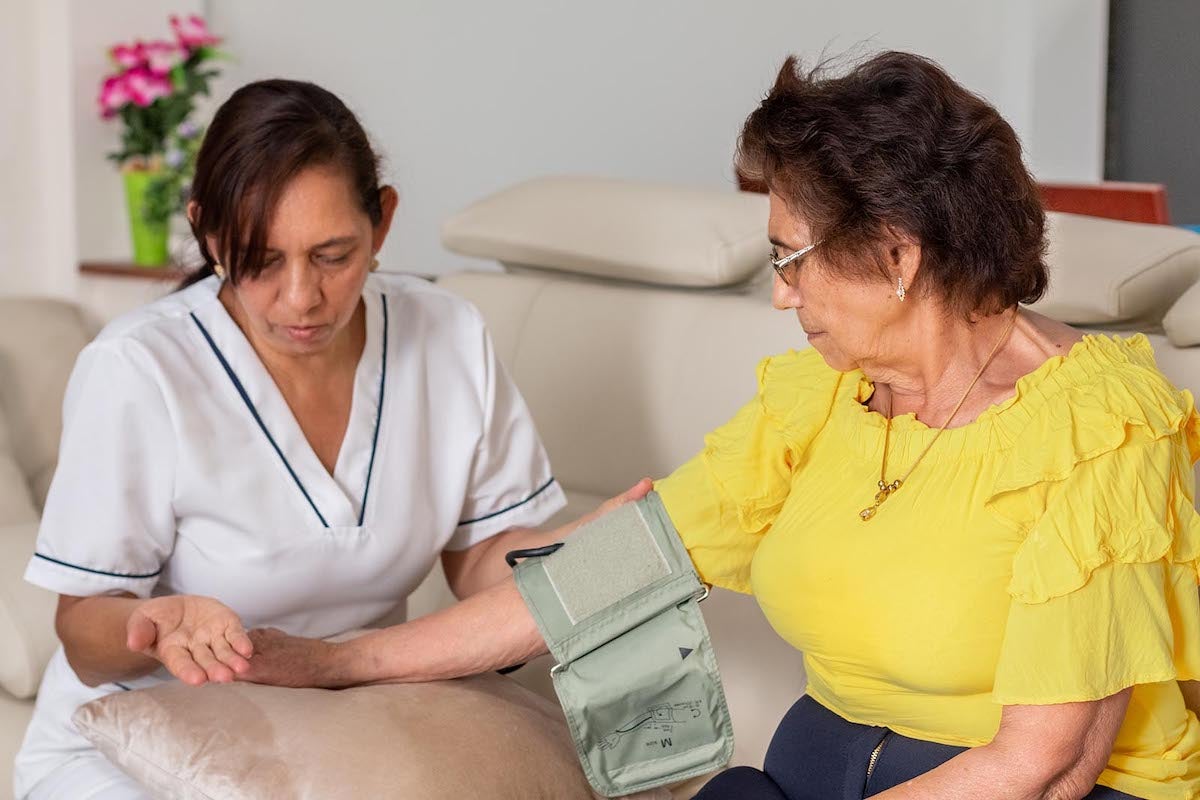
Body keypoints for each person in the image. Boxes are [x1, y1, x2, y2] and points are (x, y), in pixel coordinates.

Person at [242, 54, 1200, 799]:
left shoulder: (1100, 426)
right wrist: (334, 661)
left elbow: (1046, 766)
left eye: (792, 261)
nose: (780, 297)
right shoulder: (821, 399)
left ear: (898, 255)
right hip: (809, 774)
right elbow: (607, 578)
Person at [13, 78, 644, 800]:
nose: (300, 299)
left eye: (333, 256)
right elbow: (83, 638)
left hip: (343, 729)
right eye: (261, 260)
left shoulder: (448, 335)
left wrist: (583, 558)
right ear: (209, 235)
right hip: (134, 740)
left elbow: (479, 561)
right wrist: (154, 624)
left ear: (383, 223)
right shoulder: (139, 369)